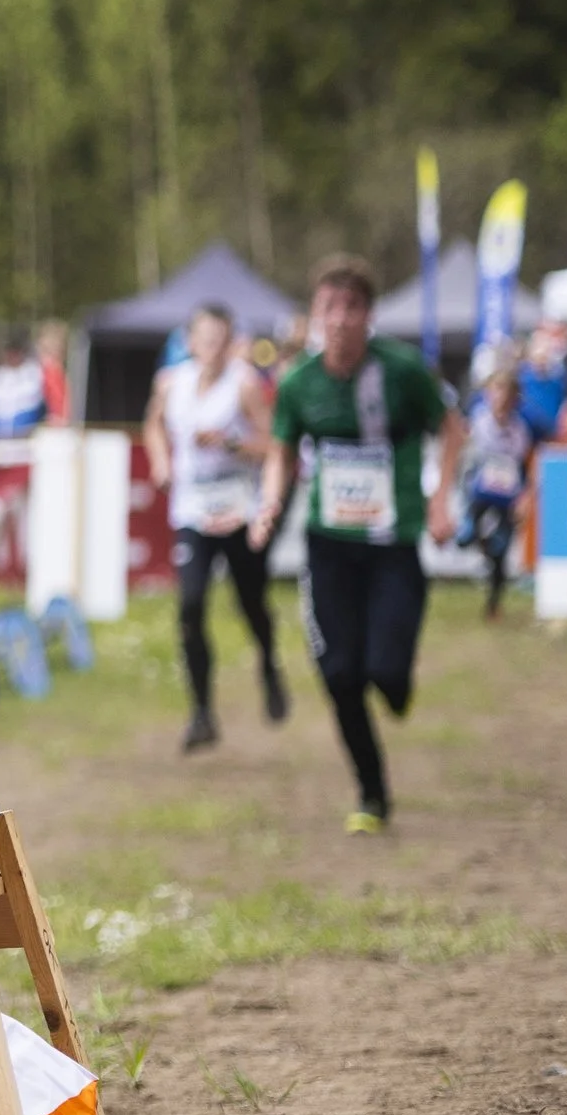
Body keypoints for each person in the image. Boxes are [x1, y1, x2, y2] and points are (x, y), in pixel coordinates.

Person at [251, 256, 462, 833]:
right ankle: (372, 794)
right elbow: (281, 452)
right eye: (329, 308)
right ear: (315, 316)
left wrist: (442, 499)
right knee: (340, 674)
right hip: (330, 546)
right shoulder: (299, 382)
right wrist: (269, 503)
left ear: (368, 314)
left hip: (394, 544)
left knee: (386, 674)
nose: (340, 320)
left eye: (352, 307)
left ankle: (396, 685)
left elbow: (450, 427)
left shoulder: (401, 372)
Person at [144, 302, 285, 751]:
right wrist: (161, 461)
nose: (213, 349)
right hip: (192, 511)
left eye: (221, 341)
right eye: (205, 340)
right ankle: (202, 713)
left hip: (238, 509)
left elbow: (271, 447)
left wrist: (232, 442)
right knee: (189, 605)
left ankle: (268, 661)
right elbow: (152, 426)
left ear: (231, 343)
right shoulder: (171, 382)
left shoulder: (244, 384)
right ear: (190, 342)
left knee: (251, 602)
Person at [459, 363, 533, 619]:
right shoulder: (477, 422)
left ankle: (493, 606)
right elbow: (465, 463)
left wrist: (524, 497)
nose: (500, 398)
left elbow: (524, 467)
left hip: (506, 497)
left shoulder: (521, 429)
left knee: (500, 552)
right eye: (495, 390)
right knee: (465, 537)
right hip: (478, 494)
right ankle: (481, 541)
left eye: (505, 392)